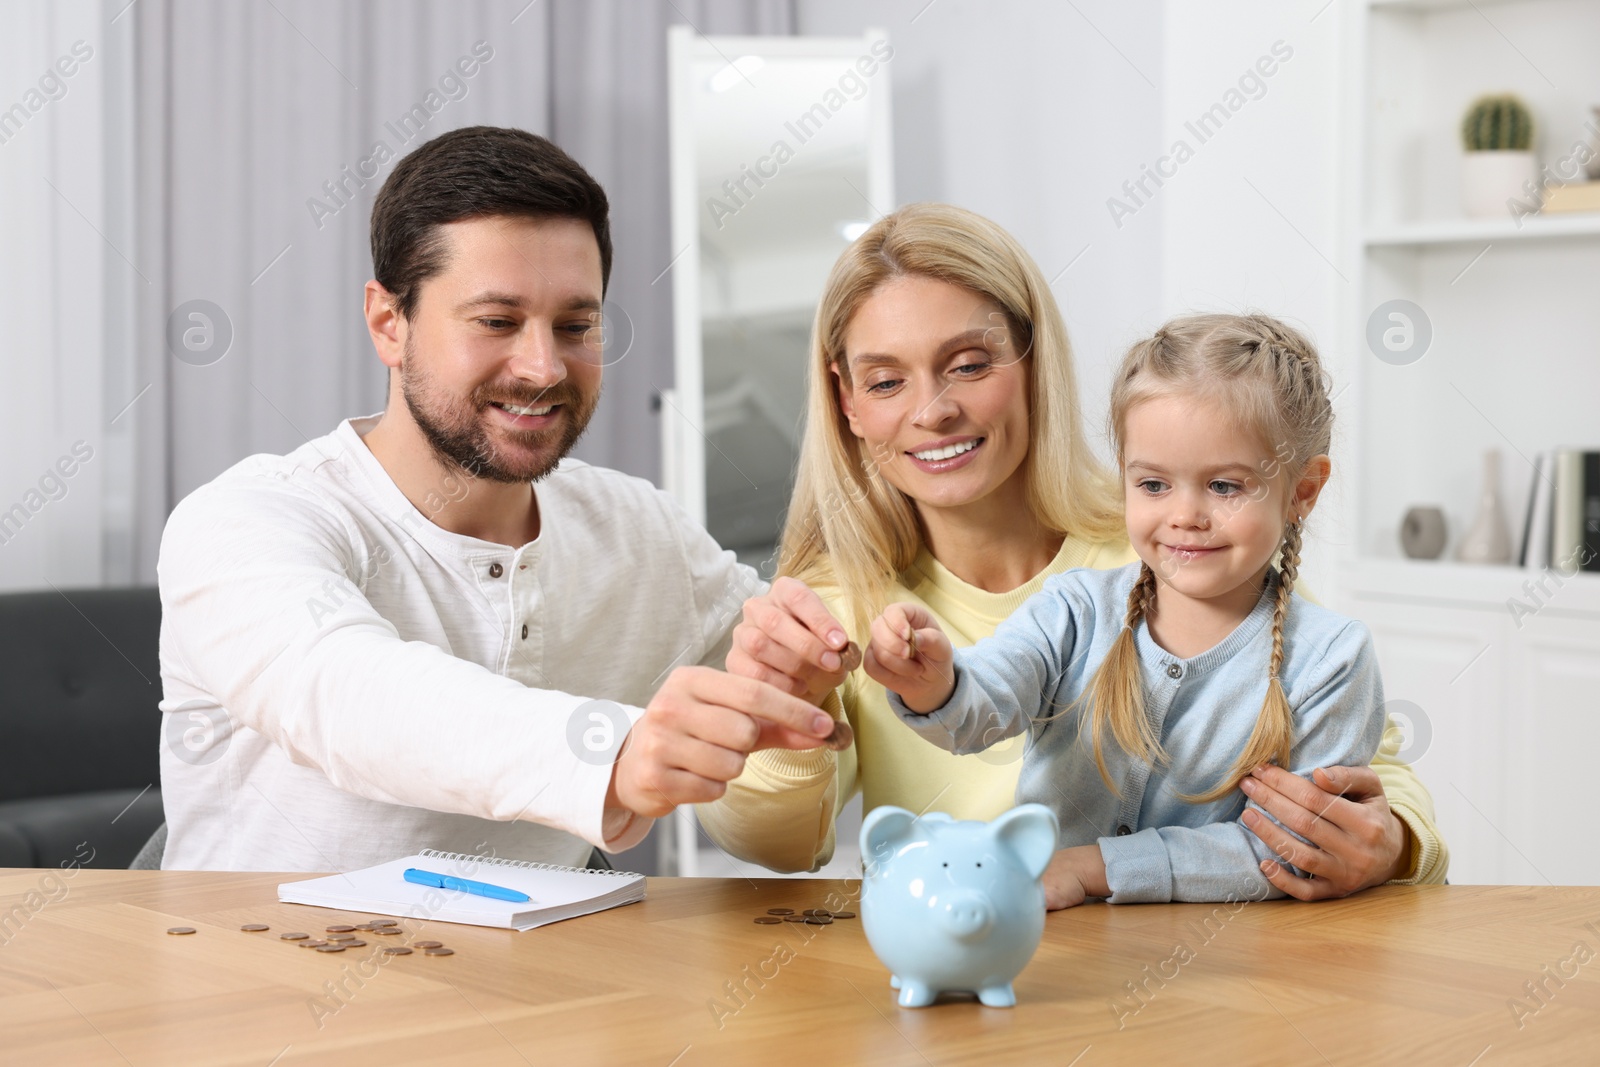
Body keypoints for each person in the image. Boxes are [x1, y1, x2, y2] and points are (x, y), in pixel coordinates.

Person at [697, 203, 1448, 901]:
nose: (934, 410)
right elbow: (775, 848)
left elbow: (1374, 776)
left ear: (1032, 361)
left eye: (968, 364)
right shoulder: (837, 606)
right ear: (848, 401)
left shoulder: (1178, 558)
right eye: (888, 380)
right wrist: (791, 710)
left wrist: (1396, 844)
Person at [156, 126, 835, 872]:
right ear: (390, 323)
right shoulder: (246, 521)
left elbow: (765, 701)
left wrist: (790, 669)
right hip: (254, 980)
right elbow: (348, 694)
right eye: (497, 322)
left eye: (576, 324)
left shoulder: (644, 532)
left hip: (545, 984)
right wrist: (613, 751)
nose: (544, 366)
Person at [869, 312, 1385, 906]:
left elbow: (1290, 849)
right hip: (1058, 952)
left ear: (1302, 492)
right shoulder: (1073, 610)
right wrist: (936, 683)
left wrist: (1093, 868)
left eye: (1224, 487)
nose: (1185, 515)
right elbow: (985, 705)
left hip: (1237, 968)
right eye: (1153, 485)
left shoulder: (1331, 658)